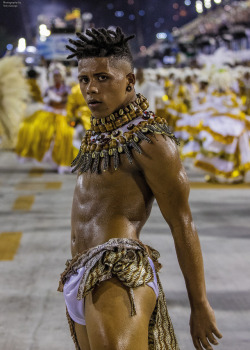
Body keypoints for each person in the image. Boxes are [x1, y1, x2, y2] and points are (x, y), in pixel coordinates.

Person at [58, 27, 222, 350]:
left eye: (103, 78)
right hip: (79, 277)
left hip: (117, 274)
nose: (91, 89)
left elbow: (182, 223)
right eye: (85, 79)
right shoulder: (99, 134)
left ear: (130, 82)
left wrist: (199, 304)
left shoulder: (152, 142)